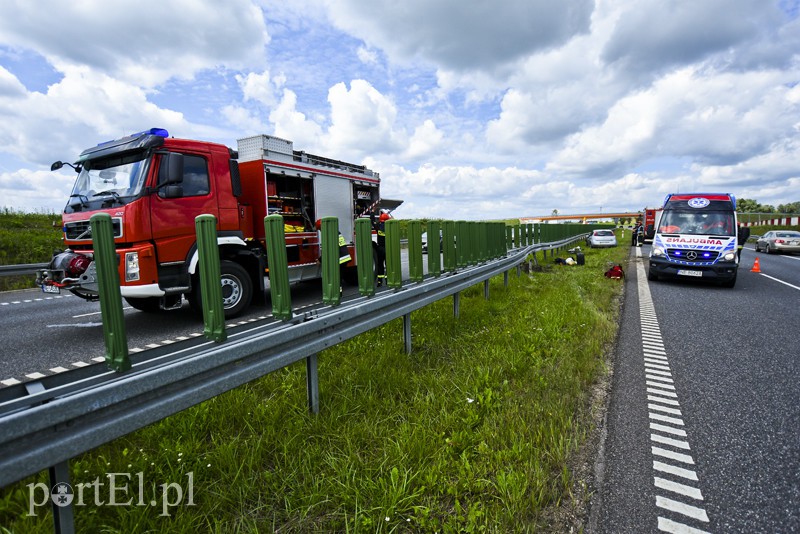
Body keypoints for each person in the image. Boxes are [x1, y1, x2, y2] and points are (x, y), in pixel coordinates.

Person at [373, 210, 390, 286]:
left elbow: (372, 221)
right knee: (388, 265)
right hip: (387, 248)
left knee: (380, 265)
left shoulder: (378, 227)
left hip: (380, 249)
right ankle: (387, 280)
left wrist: (372, 212)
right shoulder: (390, 228)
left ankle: (380, 281)